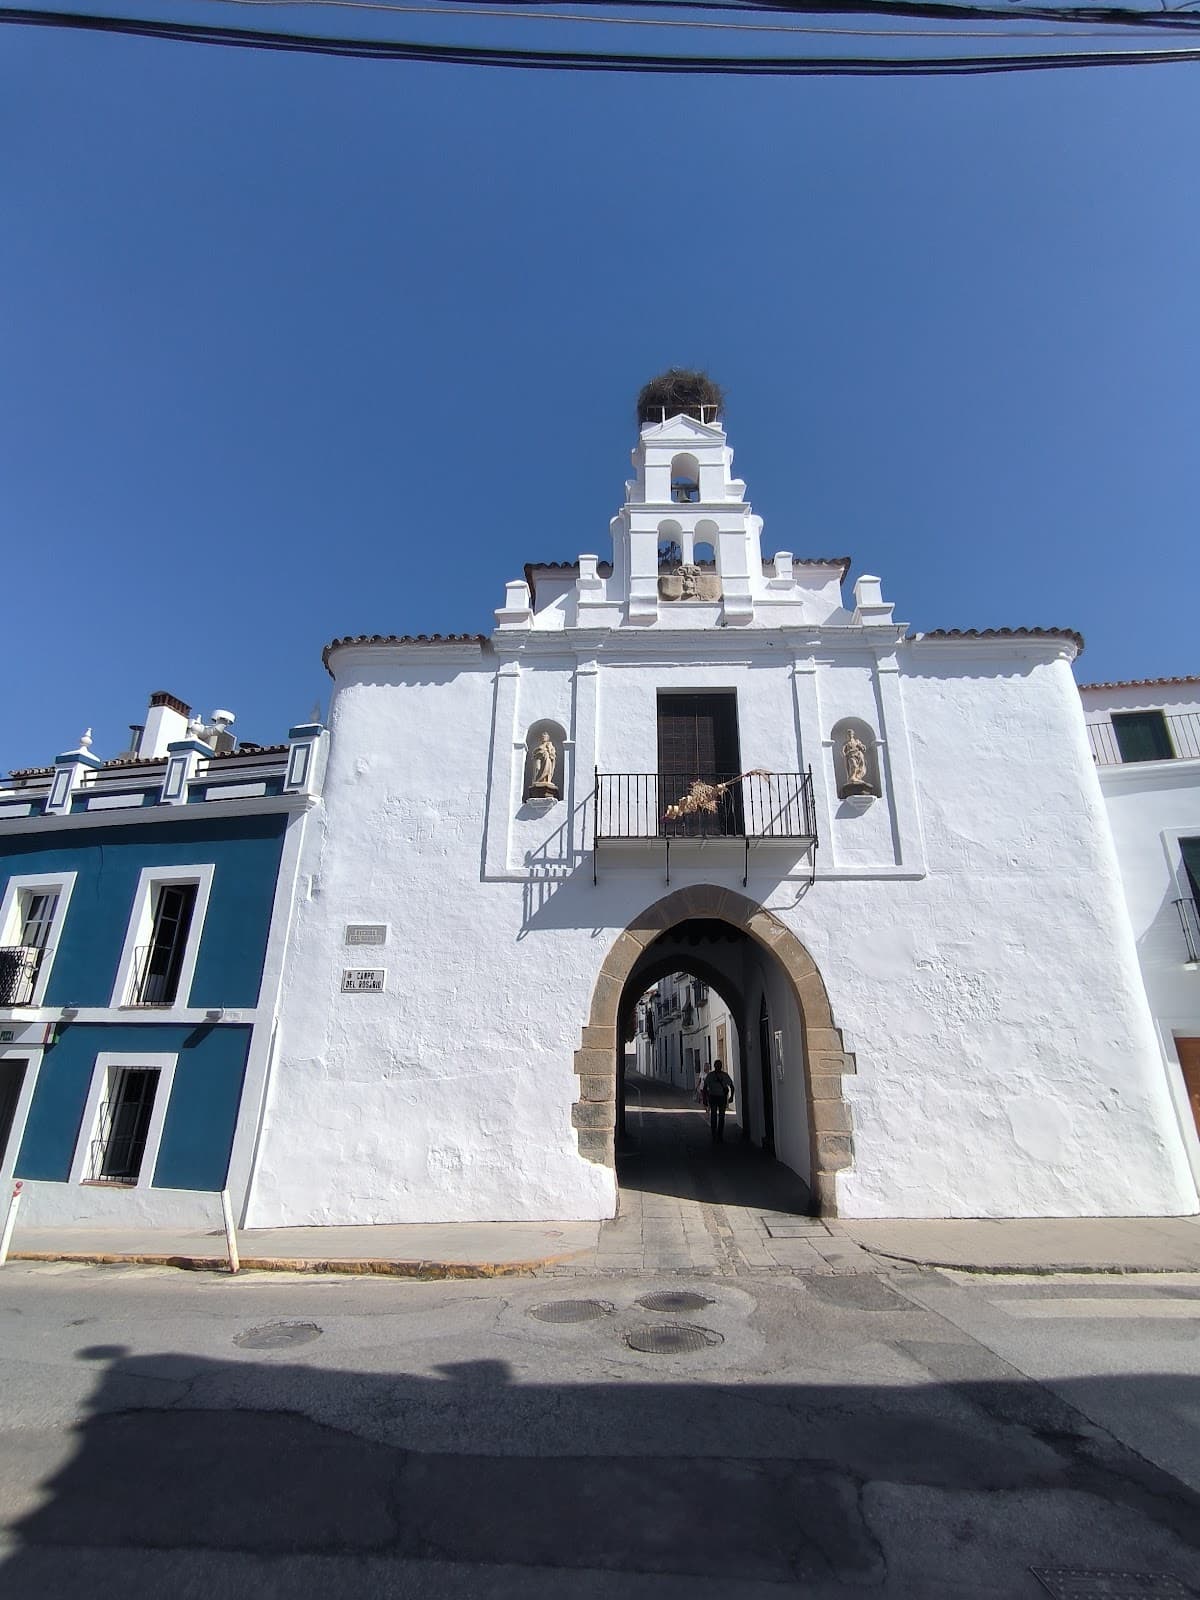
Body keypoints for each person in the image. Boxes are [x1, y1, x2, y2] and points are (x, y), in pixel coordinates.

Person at [702, 1059, 735, 1144]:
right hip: (719, 1098)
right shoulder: (724, 1075)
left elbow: (705, 1088)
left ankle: (716, 1135)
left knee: (716, 1116)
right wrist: (731, 1097)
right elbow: (731, 1086)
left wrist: (705, 1099)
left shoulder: (711, 1075)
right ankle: (718, 1135)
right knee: (720, 1117)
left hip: (715, 1097)